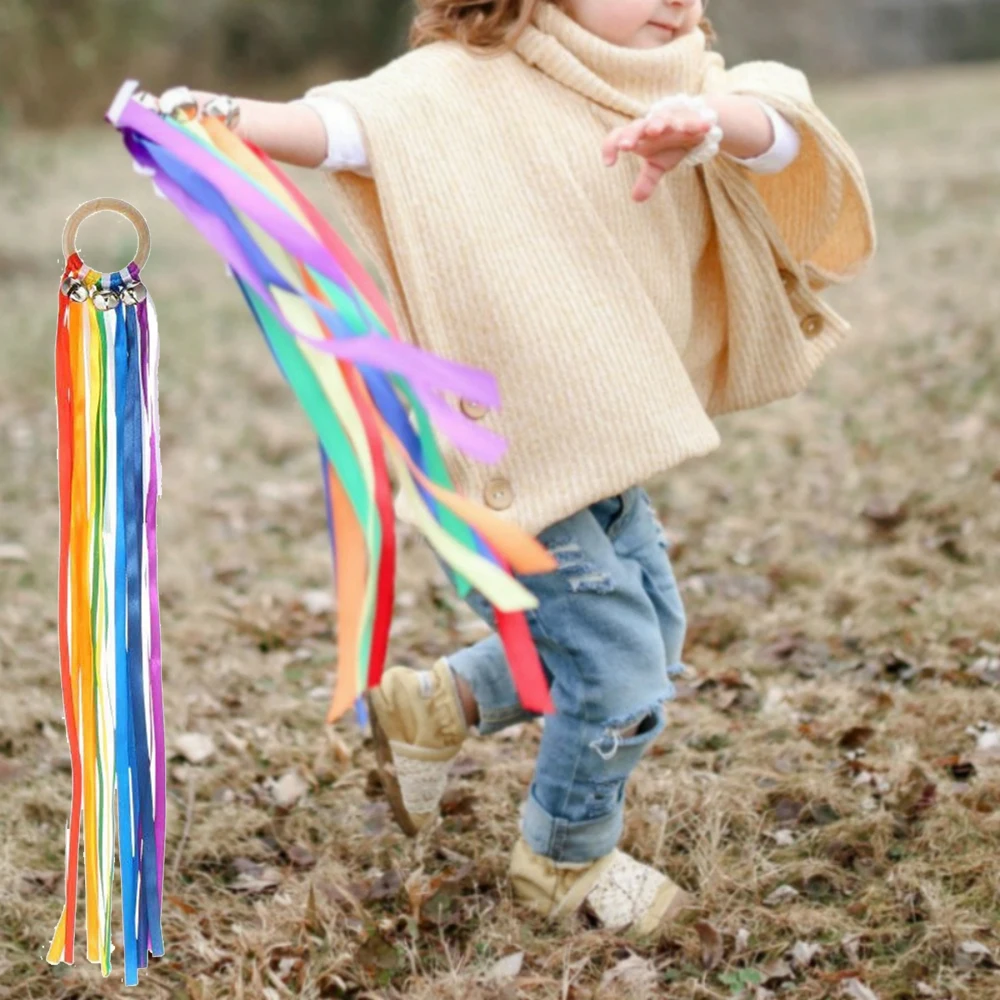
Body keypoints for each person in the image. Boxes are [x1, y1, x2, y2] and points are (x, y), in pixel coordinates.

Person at [180, 0, 875, 935]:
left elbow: (780, 122)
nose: (680, 4)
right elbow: (343, 126)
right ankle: (565, 858)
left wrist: (716, 125)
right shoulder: (459, 87)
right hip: (502, 462)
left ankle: (435, 703)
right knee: (623, 671)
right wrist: (214, 116)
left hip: (591, 443)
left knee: (654, 635)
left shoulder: (673, 78)